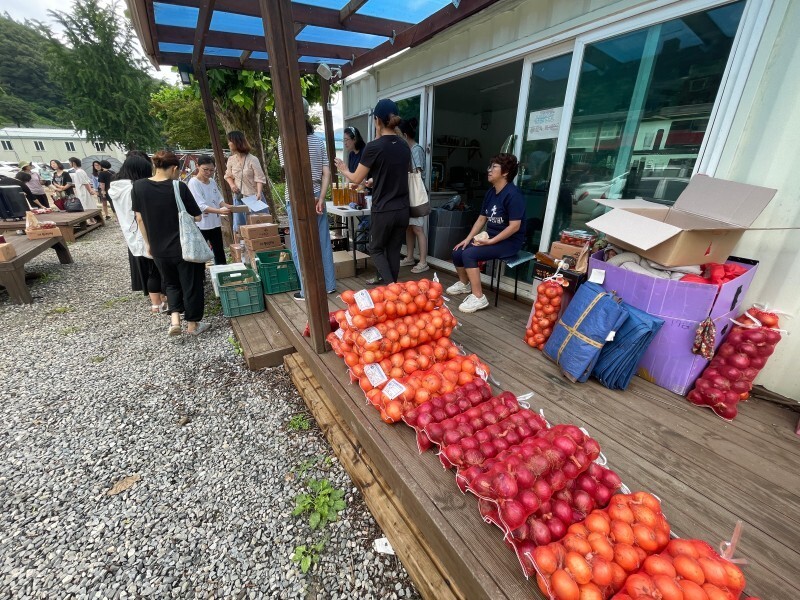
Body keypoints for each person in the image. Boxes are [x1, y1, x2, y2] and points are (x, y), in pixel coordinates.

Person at [132, 150, 211, 336]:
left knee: (170, 284)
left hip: (158, 247)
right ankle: (193, 325)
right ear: (174, 168)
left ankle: (175, 319)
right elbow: (197, 216)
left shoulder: (139, 187)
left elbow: (139, 218)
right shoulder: (179, 187)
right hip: (184, 246)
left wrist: (148, 243)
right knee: (191, 285)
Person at [335, 98, 410, 285]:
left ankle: (391, 288)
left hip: (383, 209)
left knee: (375, 248)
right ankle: (393, 295)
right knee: (393, 250)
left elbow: (355, 179)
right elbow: (395, 173)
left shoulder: (374, 147)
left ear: (377, 120)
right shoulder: (403, 145)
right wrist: (374, 181)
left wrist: (344, 169)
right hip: (402, 209)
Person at [447, 153, 526, 314]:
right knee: (458, 251)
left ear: (505, 172)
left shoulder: (513, 194)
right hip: (492, 239)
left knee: (469, 254)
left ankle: (478, 297)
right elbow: (481, 219)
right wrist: (467, 239)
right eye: (490, 167)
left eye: (494, 167)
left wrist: (491, 242)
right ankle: (465, 284)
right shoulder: (491, 193)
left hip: (509, 242)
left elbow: (514, 226)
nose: (489, 170)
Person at [277, 98, 337, 299]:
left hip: (296, 198)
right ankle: (329, 284)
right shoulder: (317, 140)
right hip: (316, 198)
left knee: (298, 244)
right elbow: (326, 172)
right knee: (323, 242)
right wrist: (320, 198)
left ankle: (306, 290)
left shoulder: (284, 139)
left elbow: (289, 173)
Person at [109, 153, 168, 314]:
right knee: (156, 270)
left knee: (150, 269)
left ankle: (157, 302)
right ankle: (160, 302)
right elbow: (140, 216)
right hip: (144, 233)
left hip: (131, 233)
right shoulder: (134, 189)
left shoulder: (116, 188)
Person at [397, 118, 429, 274]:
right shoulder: (407, 149)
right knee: (408, 227)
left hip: (415, 196)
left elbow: (418, 175)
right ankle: (410, 257)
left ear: (404, 135)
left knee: (417, 228)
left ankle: (423, 261)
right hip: (407, 195)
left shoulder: (416, 149)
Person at [187, 155, 230, 266]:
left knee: (219, 250)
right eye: (205, 169)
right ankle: (200, 277)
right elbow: (200, 206)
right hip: (201, 224)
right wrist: (220, 211)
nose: (208, 173)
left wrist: (228, 207)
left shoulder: (211, 181)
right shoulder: (193, 182)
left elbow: (219, 199)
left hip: (215, 222)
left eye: (211, 170)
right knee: (201, 252)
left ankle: (222, 272)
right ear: (197, 166)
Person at [223, 131, 267, 232]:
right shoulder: (231, 159)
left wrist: (259, 193)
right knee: (240, 228)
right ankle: (241, 247)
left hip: (254, 197)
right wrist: (232, 185)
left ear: (236, 142)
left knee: (259, 227)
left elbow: (259, 178)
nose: (228, 144)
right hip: (239, 198)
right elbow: (228, 175)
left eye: (230, 141)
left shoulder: (253, 159)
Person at [69, 157, 98, 222]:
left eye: (70, 163)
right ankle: (91, 219)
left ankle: (92, 220)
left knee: (86, 205)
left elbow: (85, 182)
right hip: (81, 190)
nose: (69, 164)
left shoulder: (79, 172)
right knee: (86, 204)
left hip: (84, 191)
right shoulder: (79, 171)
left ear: (73, 163)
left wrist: (90, 190)